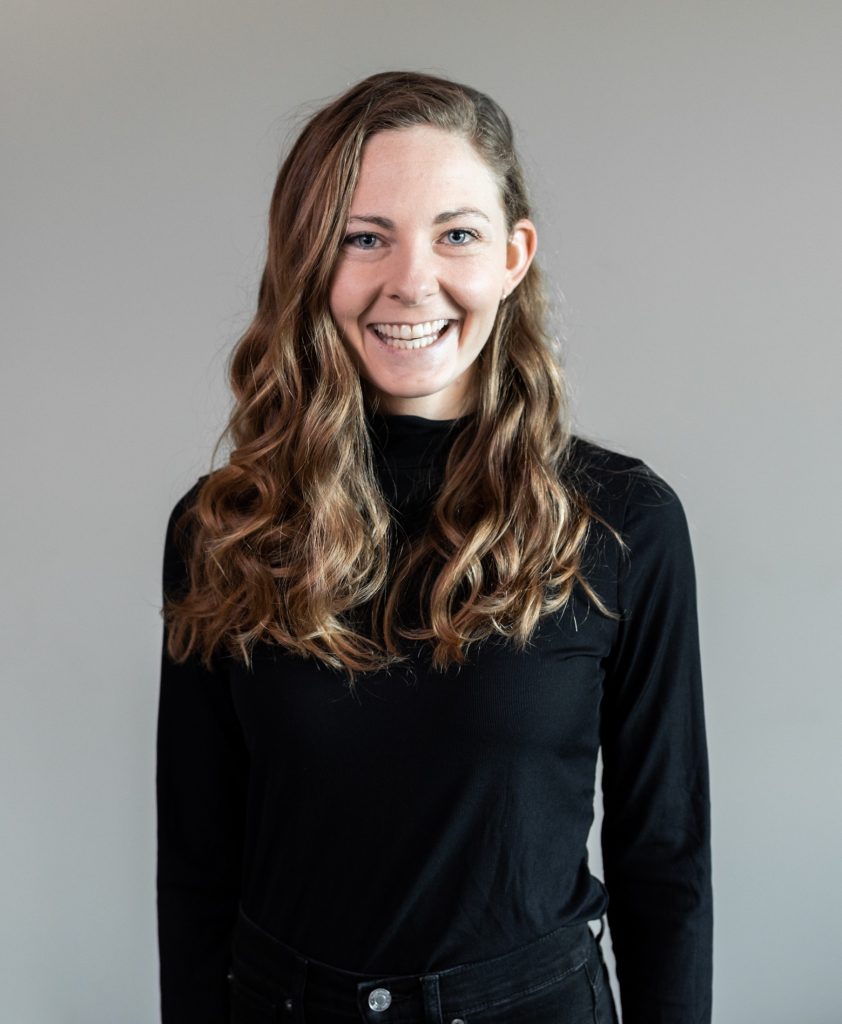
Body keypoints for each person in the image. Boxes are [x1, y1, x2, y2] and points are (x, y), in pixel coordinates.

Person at [156, 70, 712, 1024]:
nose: (411, 281)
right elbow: (197, 871)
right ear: (308, 260)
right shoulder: (223, 528)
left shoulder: (623, 522)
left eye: (456, 235)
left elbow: (666, 865)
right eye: (364, 238)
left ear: (513, 255)